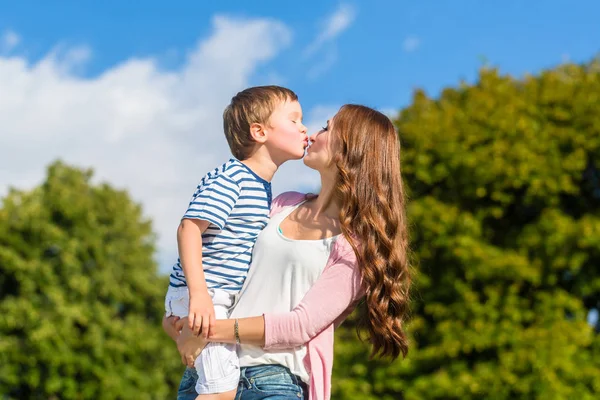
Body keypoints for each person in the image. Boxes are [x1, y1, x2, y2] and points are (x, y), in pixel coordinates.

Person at [166, 104, 411, 400]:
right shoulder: (282, 204)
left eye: (326, 128)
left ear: (351, 148)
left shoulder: (356, 248)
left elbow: (299, 326)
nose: (312, 134)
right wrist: (178, 316)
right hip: (209, 369)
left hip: (273, 380)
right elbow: (222, 259)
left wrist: (206, 330)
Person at [163, 85, 308, 400]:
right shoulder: (233, 177)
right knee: (221, 391)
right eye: (294, 120)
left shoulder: (261, 187)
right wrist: (200, 297)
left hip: (213, 297)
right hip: (205, 293)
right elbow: (189, 227)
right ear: (259, 132)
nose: (304, 128)